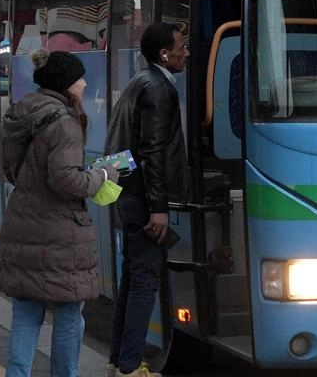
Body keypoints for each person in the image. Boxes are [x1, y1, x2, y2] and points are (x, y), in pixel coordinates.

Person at [0, 49, 120, 377]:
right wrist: (102, 176)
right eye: (79, 78)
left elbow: (14, 170)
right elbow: (66, 180)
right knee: (68, 316)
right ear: (66, 83)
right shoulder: (65, 121)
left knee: (25, 315)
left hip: (23, 223)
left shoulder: (22, 112)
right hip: (58, 233)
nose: (83, 83)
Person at [104, 22, 190, 377]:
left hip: (128, 192)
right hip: (143, 198)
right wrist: (159, 208)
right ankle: (130, 365)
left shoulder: (142, 81)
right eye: (180, 46)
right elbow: (152, 150)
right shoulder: (158, 89)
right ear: (164, 54)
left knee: (131, 278)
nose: (186, 51)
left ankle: (119, 359)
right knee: (143, 281)